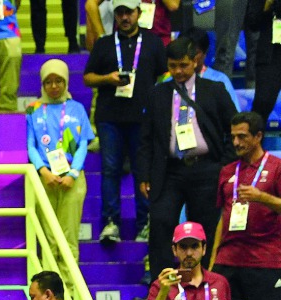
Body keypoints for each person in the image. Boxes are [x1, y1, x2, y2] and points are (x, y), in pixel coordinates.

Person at [138, 36, 237, 279]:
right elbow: (146, 139)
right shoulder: (157, 93)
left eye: (183, 65)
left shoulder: (214, 90)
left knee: (205, 229)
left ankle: (203, 281)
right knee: (160, 223)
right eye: (172, 66)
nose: (178, 71)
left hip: (206, 170)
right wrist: (144, 174)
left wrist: (223, 166)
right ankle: (162, 283)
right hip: (169, 171)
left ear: (195, 62)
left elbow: (234, 128)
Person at [83, 0, 167, 244]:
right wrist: (107, 79)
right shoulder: (104, 44)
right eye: (119, 13)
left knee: (144, 172)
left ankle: (145, 223)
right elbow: (88, 78)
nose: (124, 17)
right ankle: (110, 223)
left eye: (128, 12)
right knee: (110, 170)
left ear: (138, 13)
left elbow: (163, 74)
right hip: (110, 118)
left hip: (143, 119)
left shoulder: (152, 42)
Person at [210, 112, 281, 300]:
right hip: (228, 262)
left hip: (266, 261)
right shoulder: (228, 171)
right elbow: (222, 218)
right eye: (233, 137)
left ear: (258, 136)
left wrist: (263, 197)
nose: (236, 142)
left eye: (242, 136)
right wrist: (213, 261)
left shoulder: (276, 167)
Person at [26, 61, 92, 264]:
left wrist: (73, 173)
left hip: (72, 179)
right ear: (42, 84)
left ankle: (69, 292)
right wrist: (43, 171)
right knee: (48, 239)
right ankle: (49, 291)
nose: (54, 86)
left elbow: (83, 144)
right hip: (44, 179)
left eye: (58, 81)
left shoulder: (77, 108)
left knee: (68, 238)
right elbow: (30, 145)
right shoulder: (33, 109)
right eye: (49, 82)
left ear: (66, 82)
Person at [177, 30, 241, 111]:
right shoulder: (166, 82)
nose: (189, 58)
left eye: (195, 53)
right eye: (185, 52)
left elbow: (234, 116)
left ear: (205, 52)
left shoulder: (219, 80)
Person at [248, 0, 281, 130]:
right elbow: (253, 22)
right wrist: (267, 4)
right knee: (262, 104)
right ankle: (252, 148)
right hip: (270, 54)